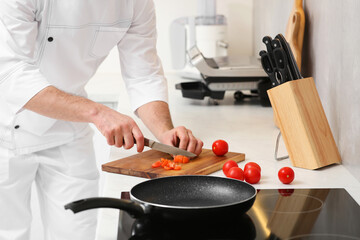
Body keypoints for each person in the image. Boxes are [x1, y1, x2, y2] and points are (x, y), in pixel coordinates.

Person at [0, 0, 203, 239]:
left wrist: (165, 132)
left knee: (79, 233)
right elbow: (11, 74)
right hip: (4, 128)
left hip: (68, 131)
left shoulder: (136, 3)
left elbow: (143, 73)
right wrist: (97, 113)